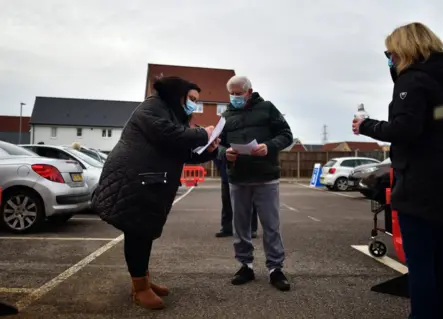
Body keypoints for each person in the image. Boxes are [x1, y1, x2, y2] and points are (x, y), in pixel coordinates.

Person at [352, 22, 443, 319]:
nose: (389, 59)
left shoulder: (412, 80)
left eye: (390, 53)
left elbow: (406, 129)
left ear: (404, 49)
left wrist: (367, 126)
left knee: (421, 265)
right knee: (440, 260)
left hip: (419, 181)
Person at [92, 76, 219, 310]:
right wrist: (204, 134)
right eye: (191, 99)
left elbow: (182, 151)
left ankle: (143, 280)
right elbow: (167, 134)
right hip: (133, 179)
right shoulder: (152, 107)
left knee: (144, 230)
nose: (193, 105)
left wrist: (209, 150)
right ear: (177, 94)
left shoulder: (172, 114)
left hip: (149, 180)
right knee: (137, 231)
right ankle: (140, 288)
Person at [219, 75, 293, 291]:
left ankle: (275, 269)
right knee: (240, 226)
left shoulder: (268, 109)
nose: (234, 98)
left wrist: (269, 146)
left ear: (249, 92)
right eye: (231, 94)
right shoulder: (226, 115)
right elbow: (218, 145)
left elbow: (287, 135)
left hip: (265, 177)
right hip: (238, 178)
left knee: (271, 225)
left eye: (238, 94)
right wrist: (226, 153)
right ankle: (245, 265)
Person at [213, 156, 258, 238]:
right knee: (226, 200)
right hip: (227, 172)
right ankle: (227, 228)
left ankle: (251, 228)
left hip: (247, 171)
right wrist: (221, 166)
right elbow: (217, 152)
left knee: (249, 200)